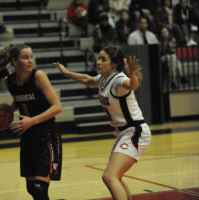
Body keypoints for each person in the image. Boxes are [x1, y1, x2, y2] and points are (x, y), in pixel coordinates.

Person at [53, 46, 151, 200]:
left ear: (113, 64)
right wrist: (66, 73)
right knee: (115, 177)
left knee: (109, 177)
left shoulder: (119, 79)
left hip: (135, 131)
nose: (98, 62)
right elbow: (86, 79)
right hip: (123, 132)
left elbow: (132, 86)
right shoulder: (103, 79)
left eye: (103, 59)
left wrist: (132, 74)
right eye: (99, 58)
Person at [0, 42, 63, 200]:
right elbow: (19, 101)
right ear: (14, 61)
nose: (30, 60)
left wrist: (32, 121)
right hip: (27, 136)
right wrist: (4, 113)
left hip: (47, 135)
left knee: (39, 188)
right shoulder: (9, 82)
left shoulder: (38, 76)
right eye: (25, 58)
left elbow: (57, 107)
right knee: (32, 188)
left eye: (31, 57)